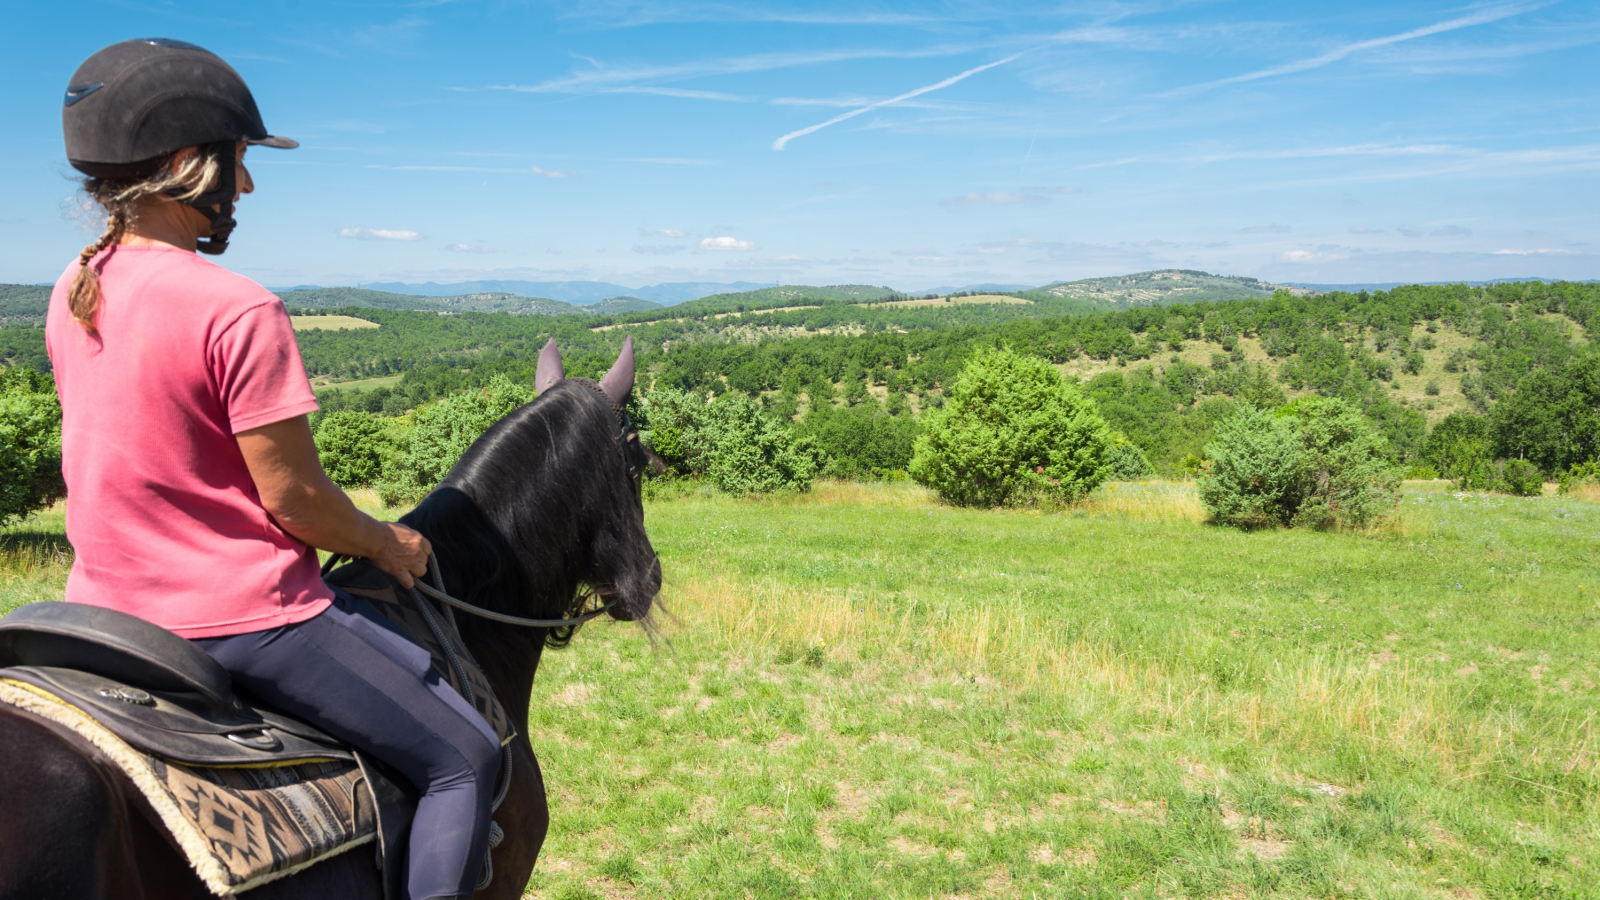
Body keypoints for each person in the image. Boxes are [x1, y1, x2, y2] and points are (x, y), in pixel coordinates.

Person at [48, 39, 499, 900]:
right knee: (464, 758)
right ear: (187, 164)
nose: (246, 188)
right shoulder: (238, 306)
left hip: (98, 605)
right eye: (239, 163)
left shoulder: (76, 283)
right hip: (236, 614)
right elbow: (295, 502)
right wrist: (387, 544)